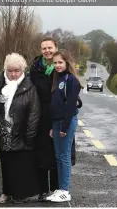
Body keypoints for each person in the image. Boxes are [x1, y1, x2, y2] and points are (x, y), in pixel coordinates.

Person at [29, 37, 80, 201]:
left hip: (61, 116)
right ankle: (44, 190)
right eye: (44, 48)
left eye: (50, 47)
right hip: (44, 116)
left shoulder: (64, 74)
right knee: (46, 153)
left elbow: (71, 97)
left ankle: (60, 188)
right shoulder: (36, 68)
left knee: (61, 155)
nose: (47, 51)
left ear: (56, 48)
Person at [0, 53, 41, 204]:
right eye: (10, 70)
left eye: (17, 71)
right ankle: (6, 192)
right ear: (5, 70)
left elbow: (34, 113)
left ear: (22, 70)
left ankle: (19, 194)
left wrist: (29, 135)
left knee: (19, 166)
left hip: (21, 132)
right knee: (5, 164)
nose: (13, 74)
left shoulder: (29, 86)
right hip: (4, 131)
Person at [46, 50, 83, 202]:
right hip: (55, 122)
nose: (57, 65)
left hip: (65, 123)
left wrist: (65, 127)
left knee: (65, 156)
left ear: (67, 63)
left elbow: (70, 107)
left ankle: (65, 191)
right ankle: (59, 189)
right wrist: (52, 127)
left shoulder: (71, 80)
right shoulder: (57, 78)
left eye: (60, 62)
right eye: (55, 63)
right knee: (58, 157)